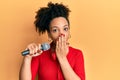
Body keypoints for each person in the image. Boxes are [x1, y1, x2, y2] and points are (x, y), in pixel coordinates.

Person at [19, 2, 85, 80]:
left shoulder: (77, 54)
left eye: (65, 29)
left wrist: (62, 58)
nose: (61, 34)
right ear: (49, 34)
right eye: (55, 30)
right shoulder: (40, 53)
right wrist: (27, 58)